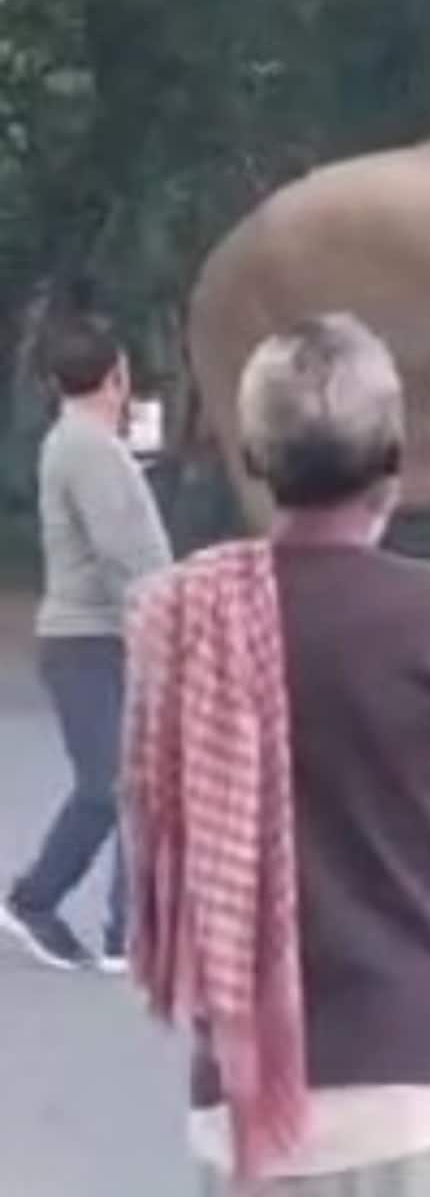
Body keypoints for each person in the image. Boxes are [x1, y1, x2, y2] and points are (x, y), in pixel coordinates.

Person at [121, 313, 430, 1194]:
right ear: (394, 458)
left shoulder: (187, 622)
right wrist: (416, 810)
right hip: (426, 1080)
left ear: (255, 460)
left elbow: (170, 838)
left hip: (245, 1096)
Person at [2, 311, 171, 971]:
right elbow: (120, 550)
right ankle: (39, 901)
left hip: (102, 636)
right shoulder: (88, 448)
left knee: (136, 781)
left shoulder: (85, 443)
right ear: (119, 376)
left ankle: (127, 930)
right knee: (112, 784)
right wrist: (168, 608)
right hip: (89, 640)